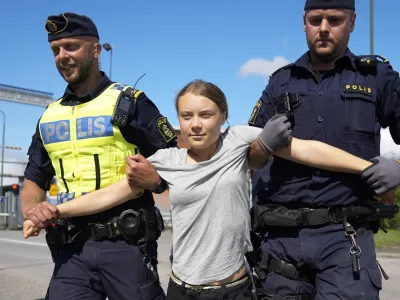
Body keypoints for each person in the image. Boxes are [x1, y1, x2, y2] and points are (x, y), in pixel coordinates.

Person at [24, 80, 395, 300]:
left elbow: (307, 150)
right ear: (178, 120)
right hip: (181, 289)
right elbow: (110, 194)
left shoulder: (241, 141)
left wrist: (368, 168)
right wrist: (53, 210)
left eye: (206, 115)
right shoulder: (166, 160)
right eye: (187, 116)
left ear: (223, 115)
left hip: (233, 288)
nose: (196, 124)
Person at [247, 0, 400, 299]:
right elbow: (251, 159)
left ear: (353, 21)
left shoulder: (376, 77)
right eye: (316, 20)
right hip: (281, 240)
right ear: (304, 21)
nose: (324, 29)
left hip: (346, 238)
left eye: (335, 20)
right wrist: (262, 144)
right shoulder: (280, 81)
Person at [20, 12, 177, 300]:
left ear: (95, 49)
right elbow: (33, 180)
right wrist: (33, 208)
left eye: (71, 46)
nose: (62, 56)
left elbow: (175, 165)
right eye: (55, 50)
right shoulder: (48, 116)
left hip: (126, 247)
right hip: (71, 251)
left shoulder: (129, 103)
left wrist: (156, 181)